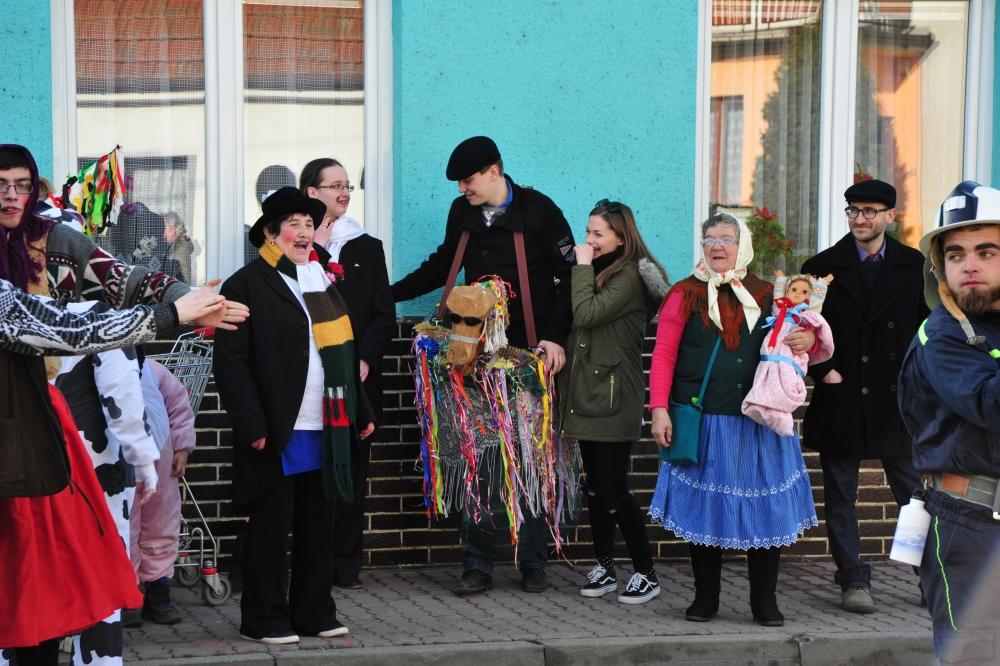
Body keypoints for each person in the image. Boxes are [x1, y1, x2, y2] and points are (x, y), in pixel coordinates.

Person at [0, 280, 234, 666]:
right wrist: (176, 309)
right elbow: (93, 341)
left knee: (30, 583)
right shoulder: (51, 305)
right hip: (67, 464)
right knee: (71, 573)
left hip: (49, 462)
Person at [391, 136, 575, 595]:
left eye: (468, 179)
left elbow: (572, 278)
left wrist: (554, 336)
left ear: (494, 171)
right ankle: (477, 563)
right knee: (480, 457)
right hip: (474, 359)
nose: (461, 189)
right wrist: (387, 294)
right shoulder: (463, 212)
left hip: (529, 359)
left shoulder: (540, 210)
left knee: (531, 459)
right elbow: (443, 264)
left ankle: (533, 561)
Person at [213, 187, 375, 645]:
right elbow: (231, 362)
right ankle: (263, 617)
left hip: (327, 423)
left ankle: (314, 612)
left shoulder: (320, 279)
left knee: (317, 526)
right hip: (278, 427)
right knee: (271, 526)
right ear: (270, 233)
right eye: (293, 224)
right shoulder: (245, 284)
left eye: (309, 224)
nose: (304, 233)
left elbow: (343, 352)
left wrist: (361, 408)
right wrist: (251, 423)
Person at [648, 212, 819, 626]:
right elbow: (664, 354)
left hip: (760, 419)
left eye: (726, 239)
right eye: (709, 240)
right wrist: (659, 409)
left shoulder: (768, 293)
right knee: (705, 509)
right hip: (705, 420)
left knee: (765, 511)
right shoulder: (685, 293)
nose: (717, 247)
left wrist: (807, 337)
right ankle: (706, 597)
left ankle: (764, 601)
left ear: (743, 246)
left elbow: (797, 337)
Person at [800, 179, 927, 614]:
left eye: (870, 211)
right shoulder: (820, 267)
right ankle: (853, 580)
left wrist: (918, 381)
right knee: (840, 496)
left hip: (896, 400)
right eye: (853, 210)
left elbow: (929, 330)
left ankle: (929, 577)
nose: (860, 218)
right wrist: (824, 370)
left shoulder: (915, 266)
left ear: (890, 216)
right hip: (843, 396)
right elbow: (801, 328)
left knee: (913, 498)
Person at [898, 181, 1000, 665]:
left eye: (986, 251)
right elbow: (990, 406)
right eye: (956, 254)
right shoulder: (942, 336)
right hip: (970, 521)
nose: (969, 265)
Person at [558, 200, 669, 604]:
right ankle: (604, 567)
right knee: (595, 490)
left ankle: (646, 573)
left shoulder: (630, 276)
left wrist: (582, 267)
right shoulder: (605, 270)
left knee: (614, 490)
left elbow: (587, 313)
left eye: (598, 233)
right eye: (587, 231)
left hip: (612, 396)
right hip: (587, 392)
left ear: (621, 237)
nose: (588, 240)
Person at [301, 157, 395, 589]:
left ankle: (344, 563)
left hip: (357, 378)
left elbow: (382, 314)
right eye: (334, 185)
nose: (344, 192)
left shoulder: (366, 246)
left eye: (347, 186)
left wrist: (365, 359)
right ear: (312, 192)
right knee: (312, 470)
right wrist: (317, 250)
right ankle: (312, 559)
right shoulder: (297, 246)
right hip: (311, 376)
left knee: (354, 469)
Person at [53, 301, 160, 666]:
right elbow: (122, 395)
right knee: (100, 575)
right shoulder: (103, 315)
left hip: (27, 462)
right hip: (95, 470)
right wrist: (144, 458)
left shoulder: (15, 308)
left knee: (24, 576)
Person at [127, 355, 196, 627]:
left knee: (162, 523)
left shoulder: (155, 371)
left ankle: (158, 586)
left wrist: (182, 447)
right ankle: (127, 591)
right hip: (121, 464)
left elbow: (180, 409)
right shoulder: (99, 368)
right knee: (124, 527)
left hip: (161, 460)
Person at [741, 272, 834, 436]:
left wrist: (822, 284)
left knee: (786, 383)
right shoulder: (779, 310)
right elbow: (778, 293)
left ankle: (782, 415)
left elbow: (817, 307)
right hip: (771, 356)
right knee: (766, 380)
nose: (798, 294)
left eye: (804, 292)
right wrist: (781, 279)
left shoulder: (806, 315)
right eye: (794, 289)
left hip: (789, 356)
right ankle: (759, 404)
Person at [163, 212, 196, 283]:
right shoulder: (177, 245)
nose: (164, 234)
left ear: (172, 230)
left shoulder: (181, 249)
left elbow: (182, 278)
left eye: (165, 228)